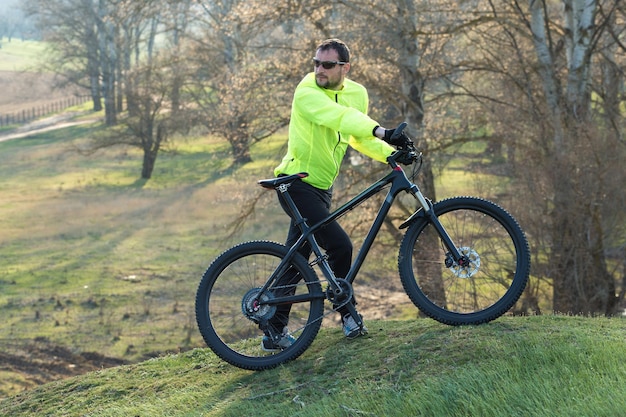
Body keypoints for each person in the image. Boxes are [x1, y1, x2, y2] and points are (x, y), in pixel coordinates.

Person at [262, 38, 401, 352]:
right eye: (315, 63)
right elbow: (337, 117)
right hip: (295, 184)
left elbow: (356, 135)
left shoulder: (357, 93)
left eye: (326, 65)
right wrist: (381, 130)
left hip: (322, 189)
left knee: (295, 261)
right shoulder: (307, 91)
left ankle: (273, 332)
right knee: (339, 245)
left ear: (344, 67)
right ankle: (348, 316)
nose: (318, 70)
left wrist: (389, 153)